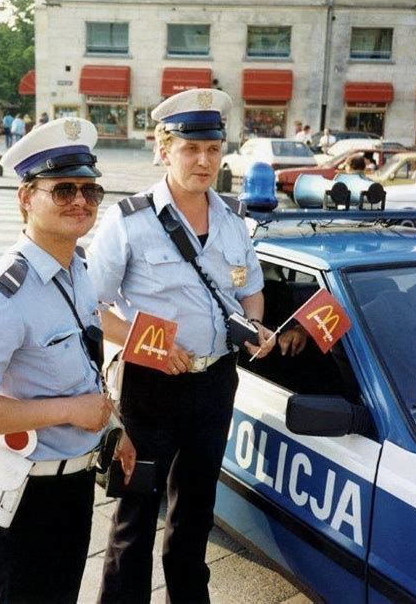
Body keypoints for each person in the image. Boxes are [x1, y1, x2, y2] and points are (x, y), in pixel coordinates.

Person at [88, 88, 300, 604]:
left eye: (212, 148)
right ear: (164, 150)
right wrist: (146, 344)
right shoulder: (129, 221)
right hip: (150, 387)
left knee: (196, 510)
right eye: (189, 149)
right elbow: (88, 307)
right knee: (136, 514)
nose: (203, 160)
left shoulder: (231, 218)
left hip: (215, 383)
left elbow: (250, 286)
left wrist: (255, 327)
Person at [0, 117, 136, 604]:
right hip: (23, 493)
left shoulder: (78, 269)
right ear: (25, 198)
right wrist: (70, 411)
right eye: (63, 189)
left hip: (71, 484)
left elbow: (82, 362)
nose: (80, 201)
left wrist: (113, 429)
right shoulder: (0, 293)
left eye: (90, 191)